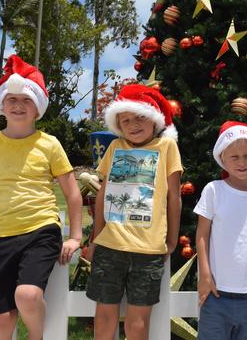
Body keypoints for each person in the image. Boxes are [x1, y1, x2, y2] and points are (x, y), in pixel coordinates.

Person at [0, 54, 82, 340]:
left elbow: (72, 194)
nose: (18, 105)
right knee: (1, 319)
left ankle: (35, 337)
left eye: (26, 100)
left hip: (42, 230)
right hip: (1, 238)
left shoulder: (49, 144)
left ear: (38, 108)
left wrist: (74, 236)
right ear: (1, 105)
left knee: (27, 295)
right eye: (11, 99)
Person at [85, 84, 183, 340]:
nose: (133, 124)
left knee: (137, 325)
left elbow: (174, 196)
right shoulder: (116, 147)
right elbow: (102, 195)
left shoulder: (166, 147)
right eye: (125, 120)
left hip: (147, 250)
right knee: (104, 318)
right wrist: (97, 236)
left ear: (154, 118)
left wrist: (172, 238)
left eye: (140, 116)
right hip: (110, 246)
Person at [194, 121, 247, 340]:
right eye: (235, 156)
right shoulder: (213, 190)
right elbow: (202, 235)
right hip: (215, 294)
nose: (242, 162)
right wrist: (205, 276)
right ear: (222, 158)